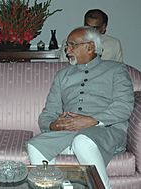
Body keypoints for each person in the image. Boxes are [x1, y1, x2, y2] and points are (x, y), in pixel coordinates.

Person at [28, 26, 134, 189]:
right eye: (67, 46)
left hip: (106, 130)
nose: (67, 50)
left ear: (90, 47)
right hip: (69, 132)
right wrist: (53, 125)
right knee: (35, 145)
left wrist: (92, 121)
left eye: (72, 45)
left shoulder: (116, 70)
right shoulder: (62, 75)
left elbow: (123, 106)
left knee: (82, 141)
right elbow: (48, 112)